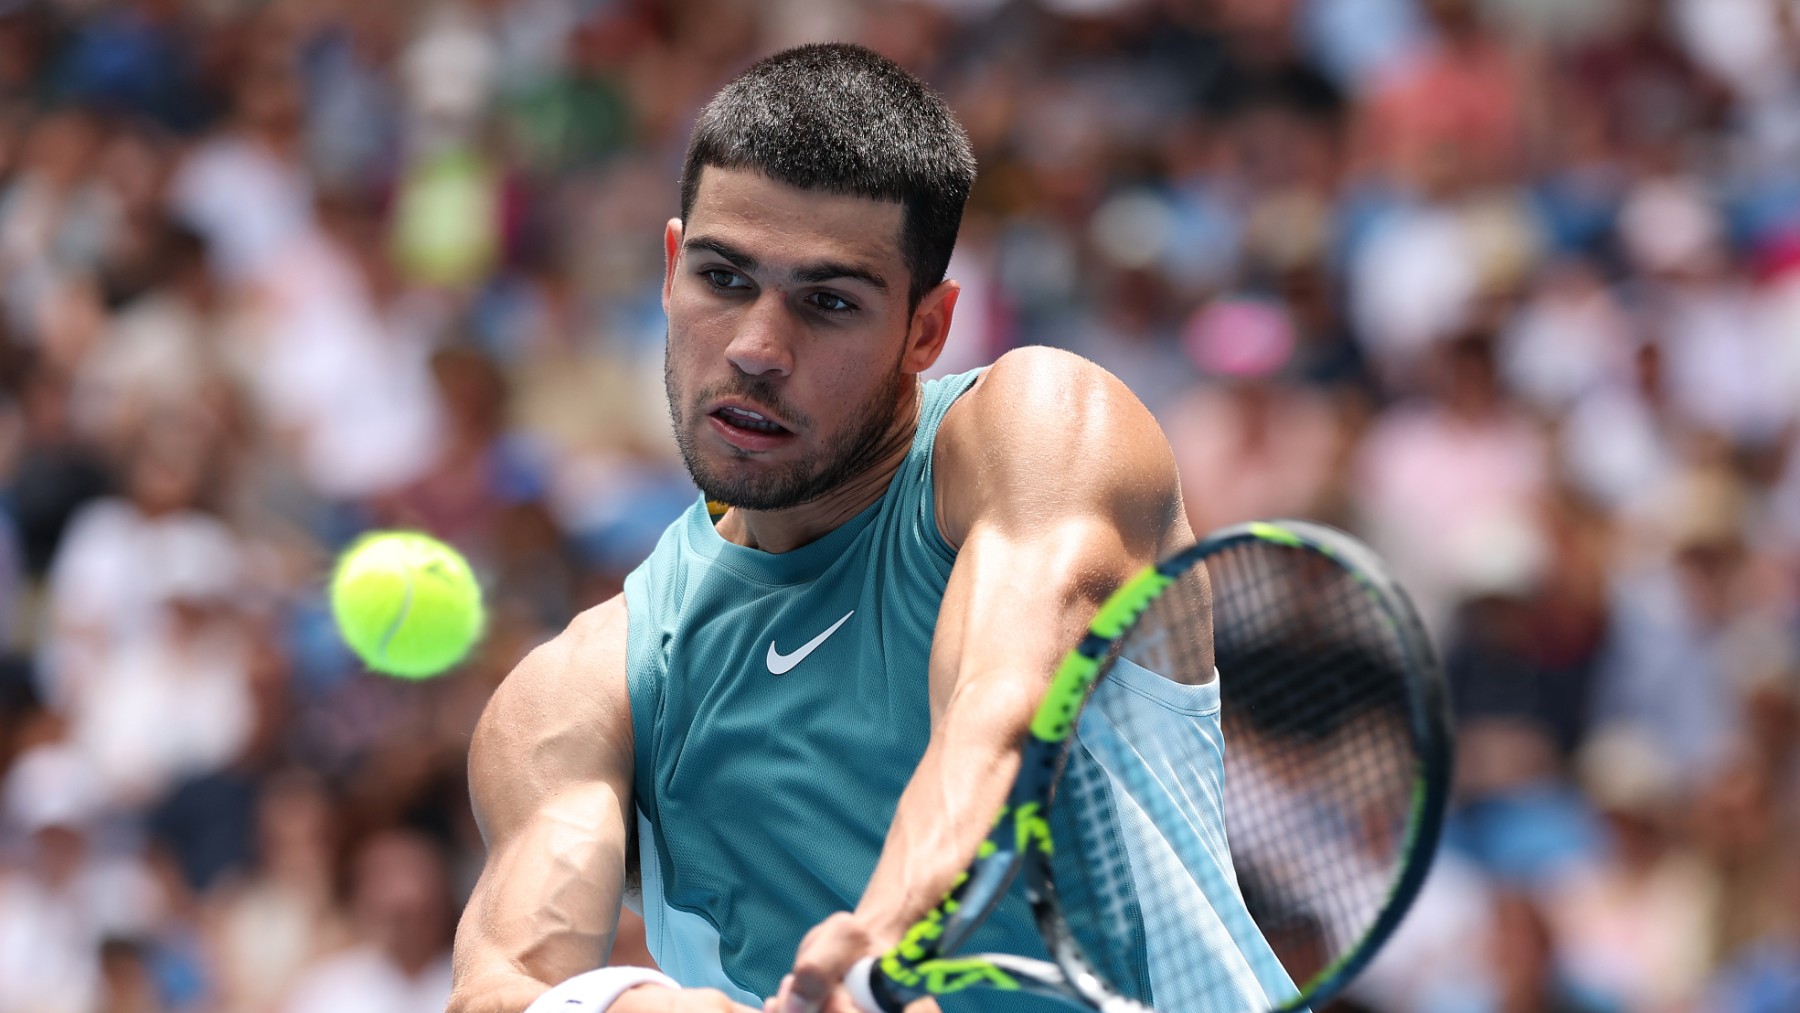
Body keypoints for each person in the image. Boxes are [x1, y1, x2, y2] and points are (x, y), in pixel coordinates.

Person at [448, 43, 1208, 1013]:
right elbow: (504, 984)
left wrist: (881, 939)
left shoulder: (1048, 430)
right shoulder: (590, 682)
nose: (759, 348)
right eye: (723, 279)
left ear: (925, 330)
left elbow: (1000, 710)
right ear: (672, 265)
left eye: (829, 301)